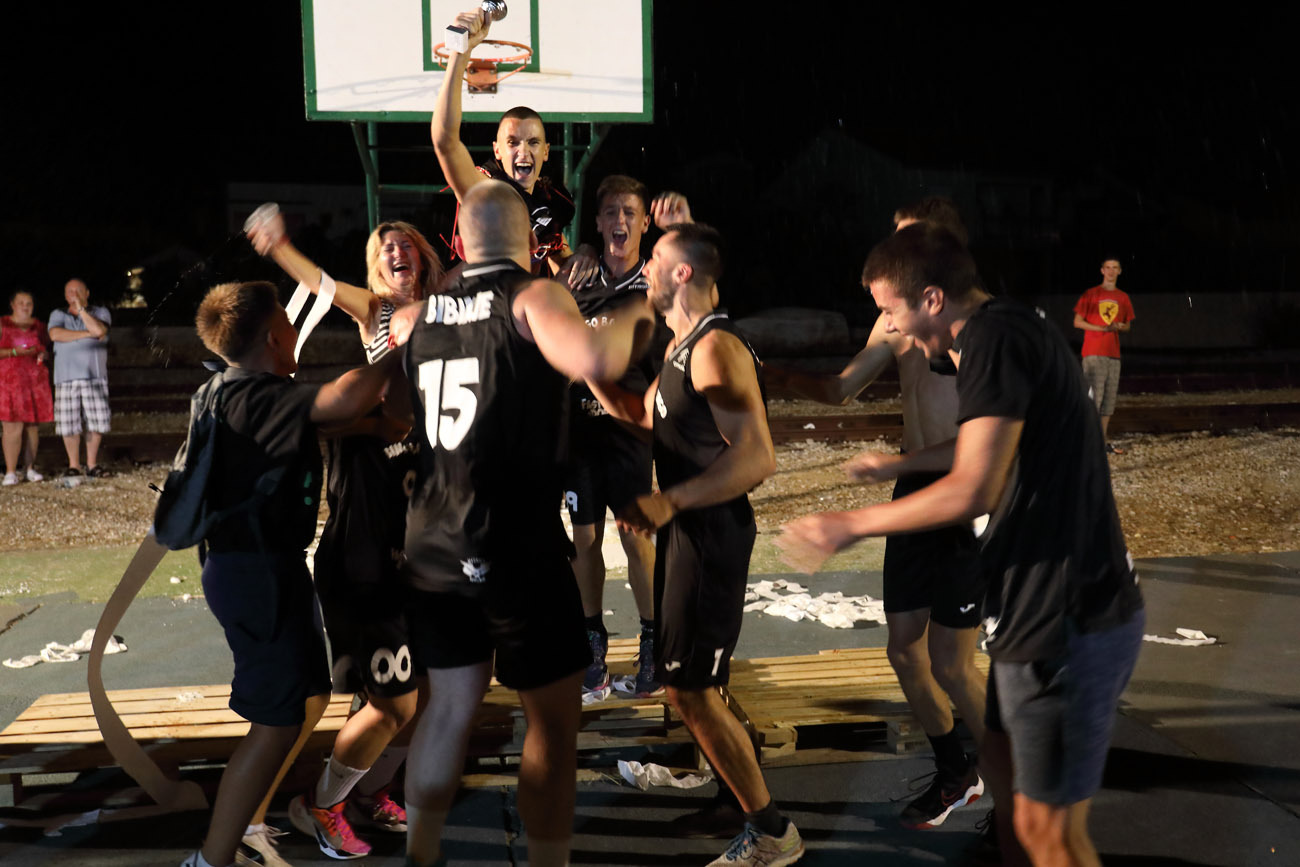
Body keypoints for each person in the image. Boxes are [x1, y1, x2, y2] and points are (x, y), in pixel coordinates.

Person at [780, 222, 1145, 867]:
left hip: (1070, 611)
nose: (891, 328)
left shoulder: (992, 341)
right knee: (1003, 775)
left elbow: (974, 487)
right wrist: (899, 465)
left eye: (892, 311)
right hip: (1036, 605)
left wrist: (850, 524)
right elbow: (986, 444)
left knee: (1049, 835)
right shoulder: (1004, 330)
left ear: (932, 299)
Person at [391, 180, 653, 867]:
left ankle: (420, 854)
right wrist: (639, 308)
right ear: (529, 241)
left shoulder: (417, 317)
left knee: (448, 708)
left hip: (433, 540)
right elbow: (595, 359)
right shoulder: (532, 296)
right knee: (553, 722)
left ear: (460, 238)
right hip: (513, 540)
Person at [763, 196, 986, 831]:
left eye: (910, 243)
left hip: (962, 490)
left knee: (953, 662)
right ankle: (956, 772)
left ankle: (1019, 785)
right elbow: (841, 388)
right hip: (914, 483)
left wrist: (885, 474)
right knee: (904, 651)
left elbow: (990, 446)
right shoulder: (896, 318)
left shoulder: (977, 329)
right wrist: (772, 373)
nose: (897, 256)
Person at [588, 222, 804, 866]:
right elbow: (642, 415)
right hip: (689, 533)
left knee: (689, 689)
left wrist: (671, 500)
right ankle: (735, 799)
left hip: (711, 535)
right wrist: (588, 373)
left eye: (656, 258)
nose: (646, 268)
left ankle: (772, 832)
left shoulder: (716, 348)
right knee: (695, 683)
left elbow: (758, 456)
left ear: (683, 272)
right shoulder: (681, 347)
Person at [246, 212, 445, 860]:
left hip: (420, 543)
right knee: (391, 701)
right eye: (384, 247)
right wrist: (281, 247)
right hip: (367, 552)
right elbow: (324, 287)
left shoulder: (450, 310)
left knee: (428, 691)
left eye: (406, 243)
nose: (396, 250)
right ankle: (319, 804)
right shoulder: (377, 322)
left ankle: (365, 791)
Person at [181, 280, 400, 867]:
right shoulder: (255, 393)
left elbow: (320, 424)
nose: (296, 328)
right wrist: (402, 351)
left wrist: (370, 428)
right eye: (288, 320)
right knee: (275, 724)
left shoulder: (233, 390)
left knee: (309, 698)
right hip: (254, 572)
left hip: (260, 566)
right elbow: (340, 402)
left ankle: (247, 826)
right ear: (274, 338)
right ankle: (212, 858)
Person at [557, 175, 690, 700]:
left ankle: (653, 642)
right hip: (579, 431)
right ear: (596, 221)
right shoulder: (577, 277)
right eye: (610, 212)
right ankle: (593, 644)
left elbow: (695, 283)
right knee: (584, 540)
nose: (620, 221)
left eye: (630, 213)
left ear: (643, 222)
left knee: (636, 537)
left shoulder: (652, 283)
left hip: (630, 432)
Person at [431, 7, 578, 277]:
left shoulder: (552, 198)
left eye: (533, 142)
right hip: (483, 298)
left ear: (546, 152)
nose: (523, 151)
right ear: (496, 151)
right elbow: (445, 141)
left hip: (522, 300)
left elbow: (557, 251)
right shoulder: (487, 191)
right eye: (512, 142)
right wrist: (460, 52)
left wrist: (585, 257)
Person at [47, 279, 111, 477]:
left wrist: (82, 310)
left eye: (78, 290)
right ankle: (74, 465)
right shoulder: (58, 314)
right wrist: (86, 334)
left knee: (96, 421)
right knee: (68, 423)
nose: (73, 294)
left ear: (87, 293)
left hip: (94, 375)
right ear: (65, 295)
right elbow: (55, 335)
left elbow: (99, 330)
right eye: (70, 291)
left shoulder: (100, 312)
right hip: (65, 376)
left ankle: (92, 464)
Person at [1073, 258, 1134, 454]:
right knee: (1094, 398)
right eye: (1107, 267)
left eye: (1114, 268)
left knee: (1108, 400)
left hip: (1113, 354)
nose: (1111, 271)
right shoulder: (1091, 294)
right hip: (1094, 352)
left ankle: (1100, 441)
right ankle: (1086, 441)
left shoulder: (1122, 297)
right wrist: (1101, 328)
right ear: (1102, 270)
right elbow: (1077, 321)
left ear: (1120, 271)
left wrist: (1119, 327)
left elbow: (1128, 325)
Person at [1, 290, 53, 485]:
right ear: (12, 305)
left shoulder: (39, 326)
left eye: (29, 303)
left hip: (34, 381)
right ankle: (10, 471)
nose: (25, 306)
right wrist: (14, 352)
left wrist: (42, 355)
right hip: (9, 382)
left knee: (32, 427)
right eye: (21, 302)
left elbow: (46, 349)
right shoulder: (3, 324)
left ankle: (29, 468)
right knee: (12, 426)